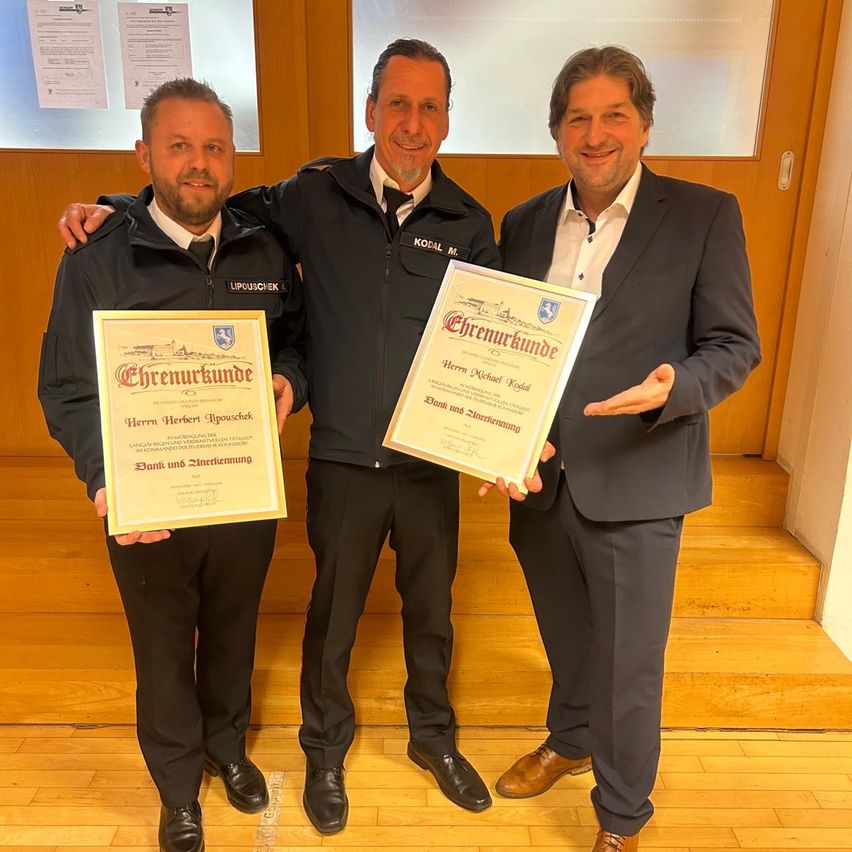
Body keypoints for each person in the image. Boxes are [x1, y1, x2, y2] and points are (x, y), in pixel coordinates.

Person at [58, 39, 500, 836]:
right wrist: (115, 205)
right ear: (370, 112)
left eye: (430, 105)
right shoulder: (310, 195)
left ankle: (432, 740)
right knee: (327, 618)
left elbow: (492, 347)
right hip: (332, 460)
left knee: (430, 611)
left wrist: (504, 437)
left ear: (446, 119)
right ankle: (316, 755)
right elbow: (199, 201)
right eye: (397, 103)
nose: (412, 122)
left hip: (429, 461)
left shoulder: (469, 222)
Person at [485, 47, 760, 852]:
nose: (595, 134)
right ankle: (569, 741)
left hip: (640, 477)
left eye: (613, 116)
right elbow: (509, 346)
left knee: (629, 670)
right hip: (540, 480)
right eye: (578, 117)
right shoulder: (526, 222)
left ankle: (621, 820)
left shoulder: (706, 214)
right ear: (556, 132)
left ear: (643, 125)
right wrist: (497, 428)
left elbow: (734, 345)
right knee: (568, 638)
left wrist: (675, 386)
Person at [40, 79, 307, 852]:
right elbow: (64, 387)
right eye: (180, 145)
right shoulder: (97, 256)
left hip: (243, 491)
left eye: (214, 147)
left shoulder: (264, 244)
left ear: (233, 158)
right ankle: (177, 785)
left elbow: (295, 338)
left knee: (233, 631)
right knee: (162, 649)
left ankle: (227, 749)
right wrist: (105, 478)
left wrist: (292, 377)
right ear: (144, 155)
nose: (199, 164)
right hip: (146, 502)